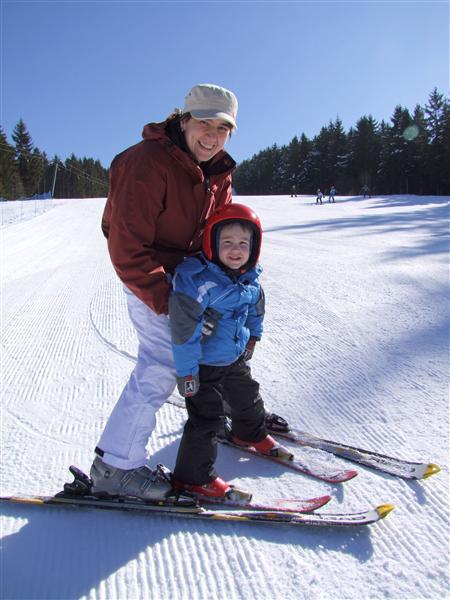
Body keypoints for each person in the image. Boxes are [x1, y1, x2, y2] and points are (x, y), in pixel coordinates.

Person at [90, 83, 240, 500]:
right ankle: (116, 465)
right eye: (205, 123)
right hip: (150, 273)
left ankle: (225, 415)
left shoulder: (218, 170)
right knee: (161, 359)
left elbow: (218, 231)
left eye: (223, 129)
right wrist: (170, 303)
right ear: (184, 119)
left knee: (224, 335)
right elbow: (127, 247)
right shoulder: (146, 162)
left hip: (188, 275)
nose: (212, 136)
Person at [168, 204, 293, 499]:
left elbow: (256, 310)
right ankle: (192, 478)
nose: (235, 250)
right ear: (212, 243)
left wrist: (253, 337)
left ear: (254, 247)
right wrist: (187, 374)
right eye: (227, 242)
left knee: (248, 398)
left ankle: (248, 433)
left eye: (243, 243)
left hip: (234, 357)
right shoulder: (198, 281)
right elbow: (184, 333)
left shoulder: (249, 278)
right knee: (207, 419)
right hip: (203, 365)